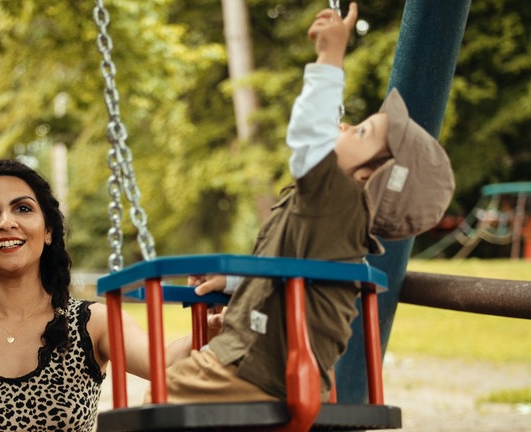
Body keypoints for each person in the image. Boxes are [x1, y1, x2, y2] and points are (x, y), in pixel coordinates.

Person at [161, 2, 454, 404]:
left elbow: (309, 139)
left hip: (253, 368)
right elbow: (293, 275)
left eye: (363, 131)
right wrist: (234, 282)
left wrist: (330, 57)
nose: (348, 125)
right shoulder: (333, 228)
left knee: (157, 403)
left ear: (368, 179)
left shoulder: (339, 202)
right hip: (278, 373)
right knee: (174, 361)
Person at [0, 159, 191, 431]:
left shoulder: (92, 324)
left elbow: (165, 363)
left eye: (23, 209)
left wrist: (224, 314)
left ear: (48, 231)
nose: (6, 222)